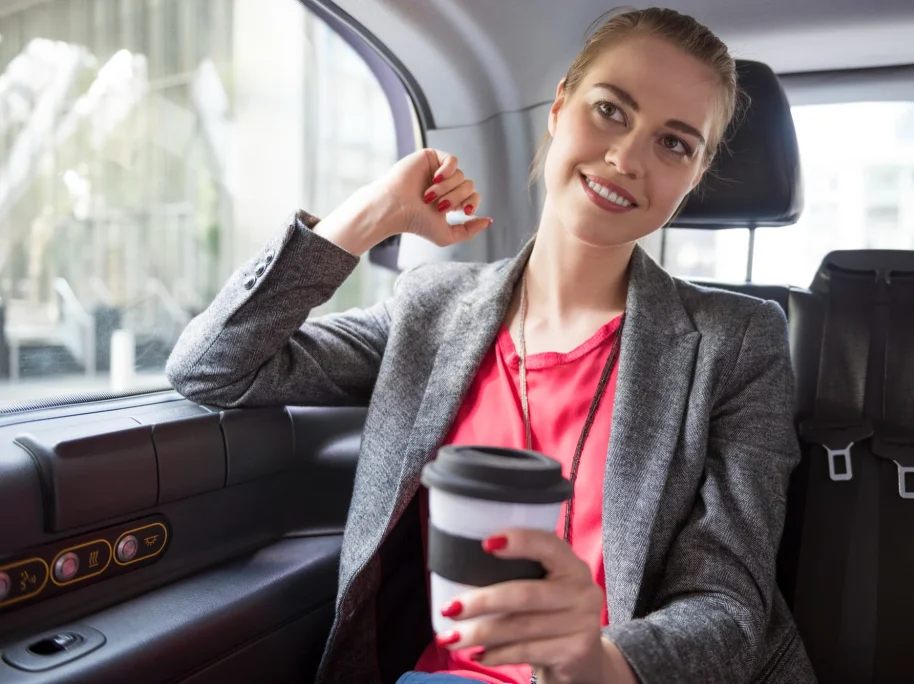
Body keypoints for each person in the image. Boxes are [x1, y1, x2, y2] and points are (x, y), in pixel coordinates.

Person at [166, 7, 817, 684]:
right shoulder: (433, 310)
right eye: (610, 111)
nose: (627, 158)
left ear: (696, 174)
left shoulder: (737, 342)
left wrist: (591, 662)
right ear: (559, 109)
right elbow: (215, 367)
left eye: (675, 144)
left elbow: (727, 606)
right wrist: (366, 218)